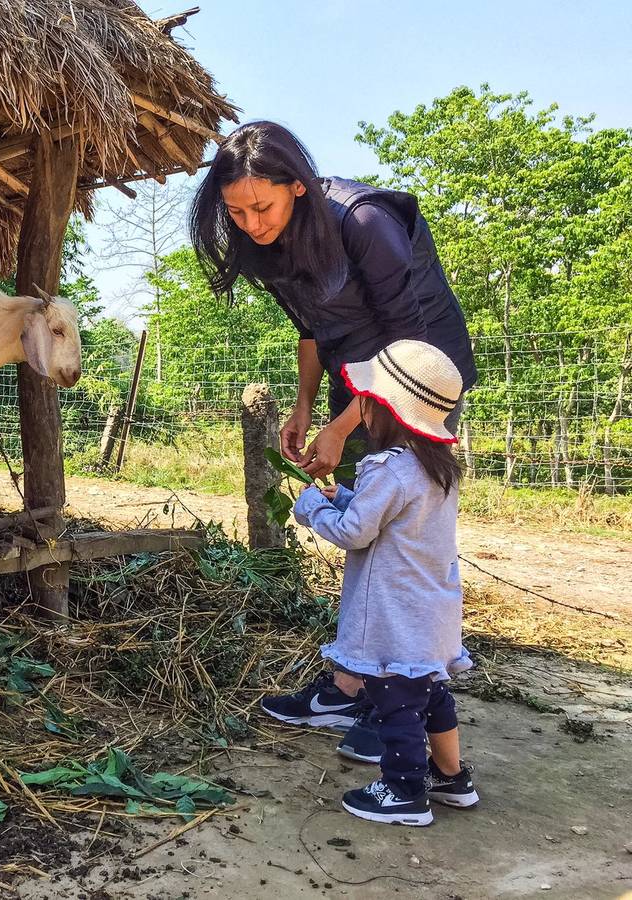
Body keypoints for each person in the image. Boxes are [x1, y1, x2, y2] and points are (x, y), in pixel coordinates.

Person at [190, 120, 477, 760]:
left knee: (401, 535)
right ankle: (353, 683)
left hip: (421, 377)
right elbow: (313, 329)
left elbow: (410, 347)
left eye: (261, 206)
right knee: (365, 524)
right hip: (361, 377)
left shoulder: (364, 221)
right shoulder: (269, 243)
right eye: (235, 213)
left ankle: (397, 696)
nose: (252, 224)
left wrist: (342, 423)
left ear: (296, 185)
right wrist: (303, 406)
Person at [290, 339, 478, 825]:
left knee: (394, 703)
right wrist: (347, 492)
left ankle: (404, 792)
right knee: (433, 697)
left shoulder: (389, 470)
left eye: (367, 402)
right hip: (432, 616)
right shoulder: (437, 468)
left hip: (393, 617)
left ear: (383, 409)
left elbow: (356, 532)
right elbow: (395, 516)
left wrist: (314, 507)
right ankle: (452, 779)